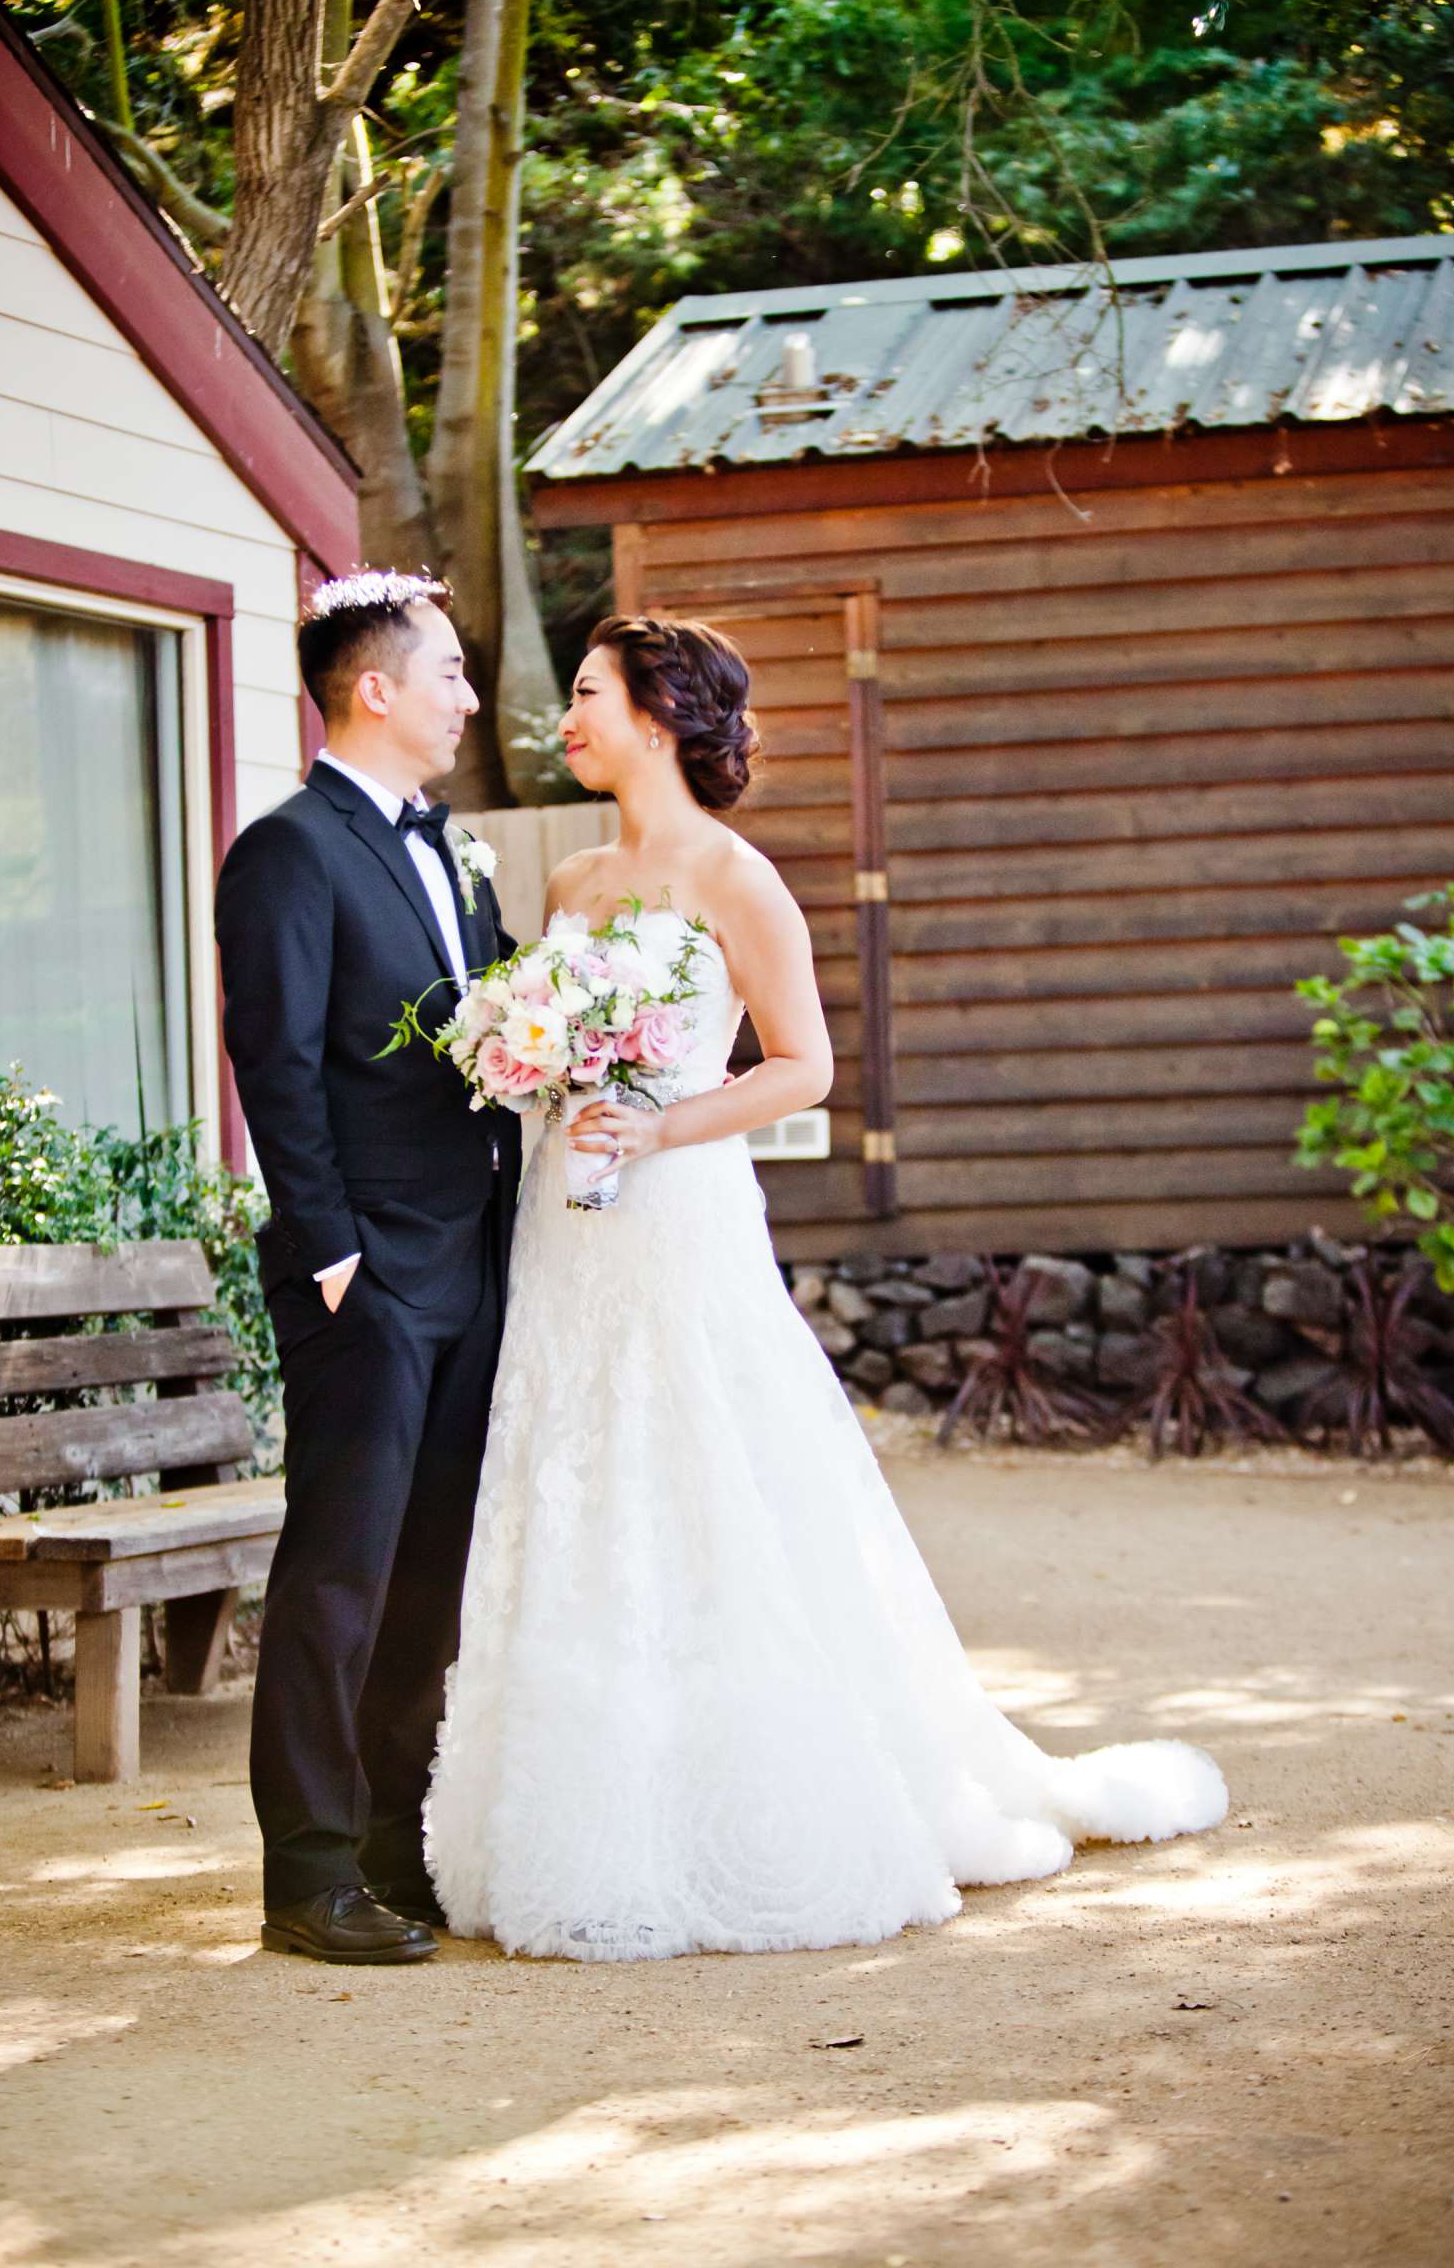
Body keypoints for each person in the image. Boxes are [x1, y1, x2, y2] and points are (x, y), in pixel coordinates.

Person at [424, 613, 1228, 1960]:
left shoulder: (740, 880)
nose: (563, 717)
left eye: (586, 694)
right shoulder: (568, 885)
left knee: (709, 1471)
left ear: (662, 715)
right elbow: (548, 1047)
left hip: (679, 1218)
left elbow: (804, 1066)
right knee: (577, 1473)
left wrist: (664, 1123)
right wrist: (532, 1061)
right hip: (566, 1228)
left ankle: (771, 1804)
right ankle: (580, 1813)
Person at [215, 570, 519, 1966]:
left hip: (475, 1259)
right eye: (449, 672)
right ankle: (310, 1873)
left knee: (430, 1576)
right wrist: (331, 1253)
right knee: (340, 1572)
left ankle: (399, 1845)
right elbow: (275, 1066)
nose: (470, 694)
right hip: (367, 1278)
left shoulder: (457, 854)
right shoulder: (287, 851)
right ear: (376, 689)